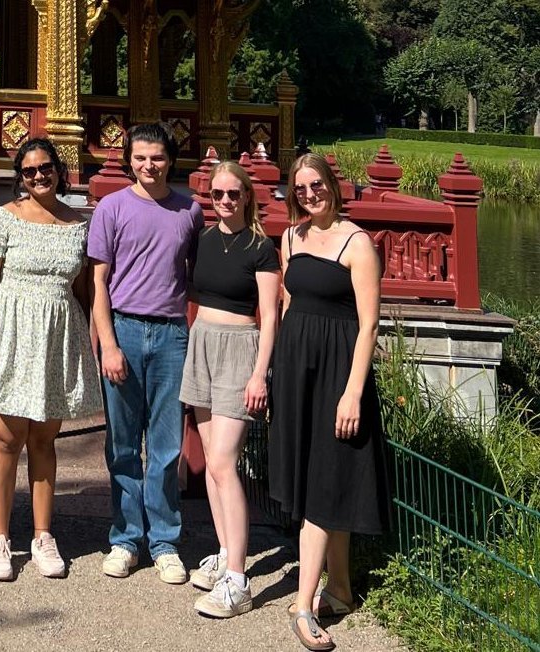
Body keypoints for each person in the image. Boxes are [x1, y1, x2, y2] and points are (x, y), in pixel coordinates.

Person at [269, 153, 390, 650]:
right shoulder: (290, 237)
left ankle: (302, 606)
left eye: (316, 184)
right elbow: (288, 303)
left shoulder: (357, 242)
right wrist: (280, 370)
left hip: (339, 371)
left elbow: (369, 325)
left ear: (332, 186)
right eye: (300, 188)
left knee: (325, 480)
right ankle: (339, 589)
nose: (309, 194)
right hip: (298, 368)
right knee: (321, 478)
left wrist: (353, 392)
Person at [0, 138, 101, 581]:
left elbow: (84, 293)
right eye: (29, 171)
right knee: (6, 439)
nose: (39, 176)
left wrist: (92, 344)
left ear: (59, 171)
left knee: (44, 441)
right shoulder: (6, 220)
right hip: (13, 335)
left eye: (46, 168)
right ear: (19, 178)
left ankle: (43, 534)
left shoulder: (78, 225)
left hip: (58, 337)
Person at [88, 122, 203, 584]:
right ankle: (125, 536)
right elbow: (98, 282)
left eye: (156, 157)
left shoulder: (189, 212)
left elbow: (197, 274)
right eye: (139, 158)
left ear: (170, 160)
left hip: (171, 333)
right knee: (121, 442)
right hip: (125, 328)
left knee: (165, 444)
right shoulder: (112, 209)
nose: (148, 165)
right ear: (128, 160)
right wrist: (109, 344)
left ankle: (164, 540)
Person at [179, 161, 280, 617]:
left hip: (240, 347)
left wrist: (261, 372)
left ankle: (238, 581)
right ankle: (225, 552)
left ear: (247, 197)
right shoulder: (200, 239)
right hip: (201, 341)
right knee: (213, 464)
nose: (224, 202)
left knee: (222, 463)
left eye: (232, 195)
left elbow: (270, 314)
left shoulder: (261, 247)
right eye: (216, 195)